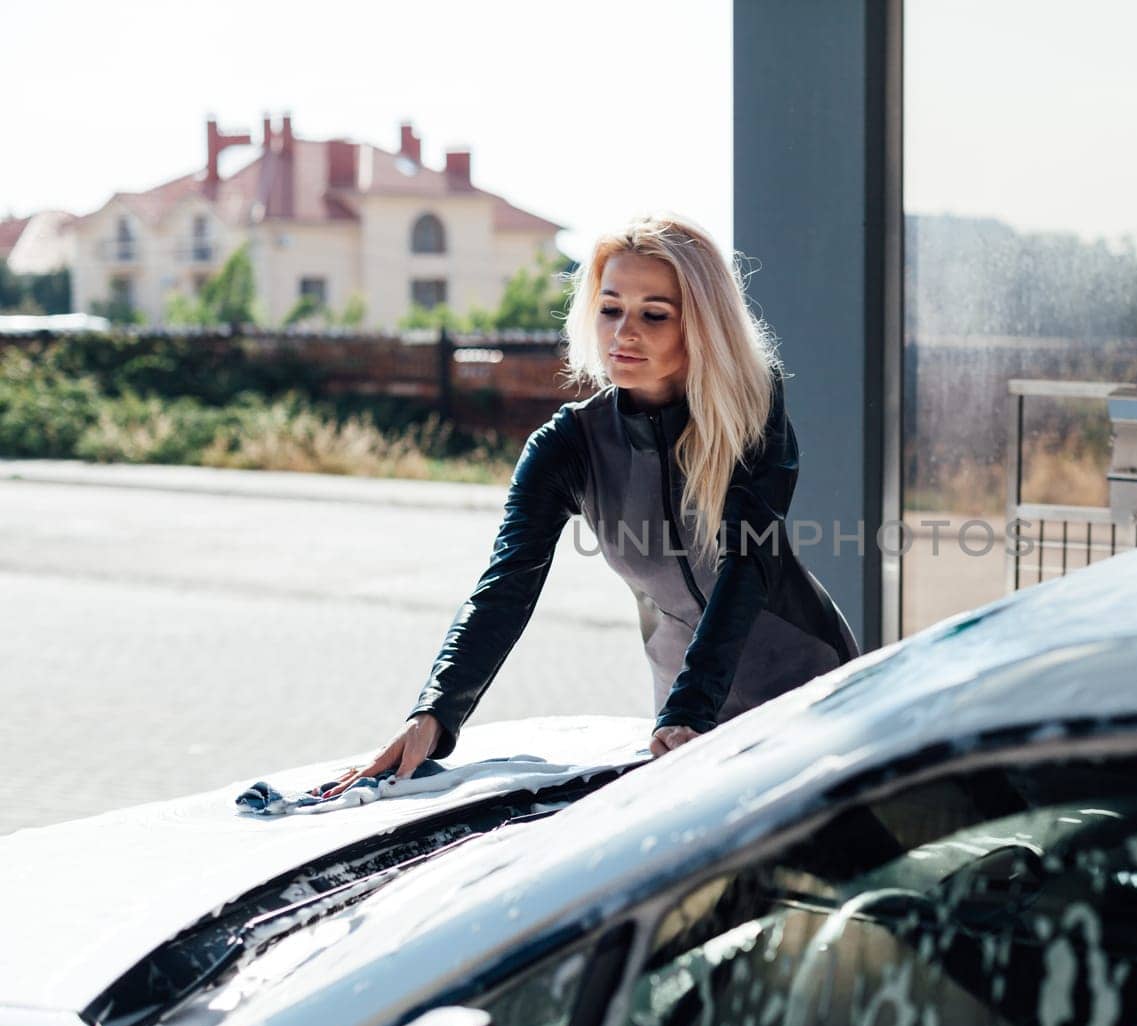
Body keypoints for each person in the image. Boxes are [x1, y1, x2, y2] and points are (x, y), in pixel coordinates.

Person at [323, 214, 859, 796]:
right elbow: (505, 586)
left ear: (702, 325)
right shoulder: (568, 445)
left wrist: (692, 706)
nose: (624, 333)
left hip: (803, 688)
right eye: (610, 309)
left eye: (655, 314)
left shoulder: (751, 408)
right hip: (678, 712)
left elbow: (745, 564)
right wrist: (435, 714)